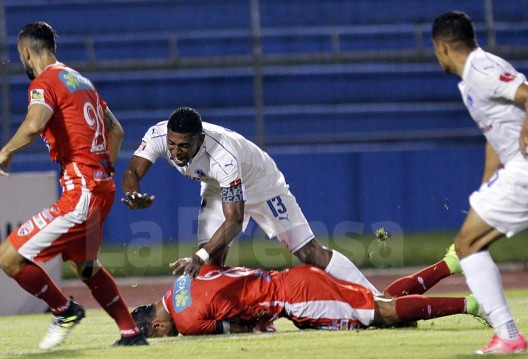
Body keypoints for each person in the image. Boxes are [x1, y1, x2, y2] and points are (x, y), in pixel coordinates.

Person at [0, 22, 147, 349]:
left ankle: (64, 310)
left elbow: (33, 125)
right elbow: (115, 129)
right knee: (85, 266)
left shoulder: (43, 82)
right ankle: (131, 333)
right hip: (101, 187)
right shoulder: (80, 80)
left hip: (82, 190)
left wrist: (6, 151)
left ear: (25, 52)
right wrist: (103, 166)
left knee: (8, 256)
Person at [121, 106, 380, 295]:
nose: (176, 153)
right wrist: (133, 193)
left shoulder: (223, 157)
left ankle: (374, 296)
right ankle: (229, 317)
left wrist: (197, 256)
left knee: (308, 252)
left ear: (199, 139)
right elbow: (131, 172)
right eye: (172, 144)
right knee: (213, 261)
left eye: (184, 146)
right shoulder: (158, 136)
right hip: (215, 185)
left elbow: (234, 221)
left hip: (260, 183)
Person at [432, 11, 528, 354]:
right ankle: (507, 334)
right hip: (514, 169)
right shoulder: (478, 70)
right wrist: (488, 183)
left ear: (442, 47)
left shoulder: (480, 70)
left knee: (468, 245)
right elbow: (495, 133)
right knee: (470, 243)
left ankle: (507, 334)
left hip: (525, 168)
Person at [129, 256, 486, 337]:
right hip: (293, 279)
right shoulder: (182, 281)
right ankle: (449, 262)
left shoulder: (186, 321)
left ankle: (471, 304)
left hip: (297, 298)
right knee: (377, 303)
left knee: (385, 315)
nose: (165, 336)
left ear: (158, 324)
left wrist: (255, 326)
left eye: (158, 334)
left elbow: (238, 330)